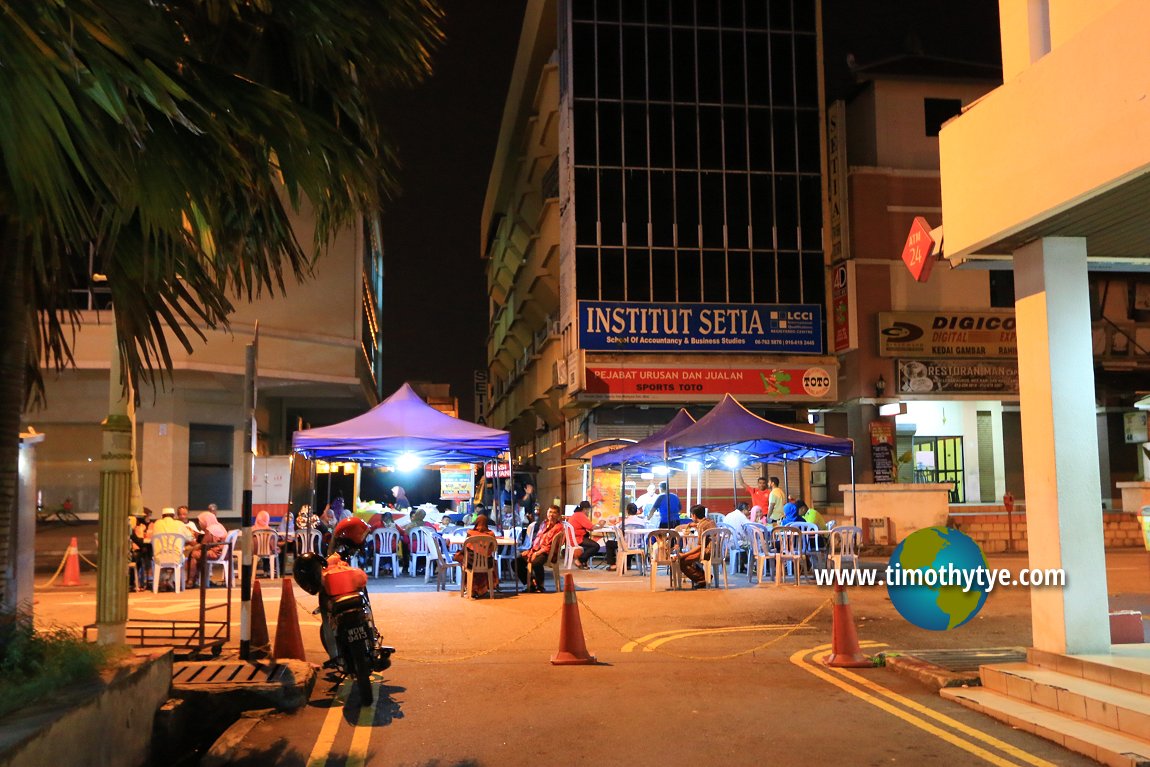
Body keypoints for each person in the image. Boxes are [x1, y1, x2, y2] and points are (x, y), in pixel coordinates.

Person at [516, 505, 564, 593]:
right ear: (547, 513)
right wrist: (530, 550)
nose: (551, 515)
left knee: (536, 562)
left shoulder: (559, 527)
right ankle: (530, 583)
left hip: (548, 553)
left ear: (558, 515)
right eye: (550, 512)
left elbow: (549, 546)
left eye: (554, 513)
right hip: (536, 549)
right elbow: (537, 539)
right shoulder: (544, 524)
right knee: (516, 561)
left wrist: (536, 553)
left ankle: (540, 585)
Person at [453, 514, 497, 597]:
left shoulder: (470, 533)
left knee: (461, 557)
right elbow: (493, 549)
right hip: (487, 563)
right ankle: (482, 589)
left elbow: (465, 548)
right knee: (493, 562)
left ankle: (471, 587)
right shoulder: (491, 534)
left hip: (471, 562)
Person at [678, 504, 716, 589]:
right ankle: (705, 576)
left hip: (707, 552)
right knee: (688, 558)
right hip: (717, 552)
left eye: (691, 515)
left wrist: (685, 554)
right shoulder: (711, 521)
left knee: (682, 561)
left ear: (694, 515)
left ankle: (702, 579)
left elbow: (700, 546)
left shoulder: (701, 526)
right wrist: (694, 525)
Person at [187, 511, 228, 587]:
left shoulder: (210, 530)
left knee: (193, 554)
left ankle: (190, 580)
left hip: (216, 553)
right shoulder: (219, 525)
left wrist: (193, 545)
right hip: (225, 553)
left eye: (201, 522)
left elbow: (203, 545)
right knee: (198, 554)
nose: (200, 524)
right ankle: (197, 579)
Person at [568, 500, 600, 568]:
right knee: (596, 546)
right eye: (588, 510)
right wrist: (601, 525)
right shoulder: (580, 515)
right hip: (577, 538)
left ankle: (583, 562)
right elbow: (591, 527)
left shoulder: (576, 514)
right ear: (585, 509)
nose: (589, 512)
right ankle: (579, 560)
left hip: (574, 537)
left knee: (589, 541)